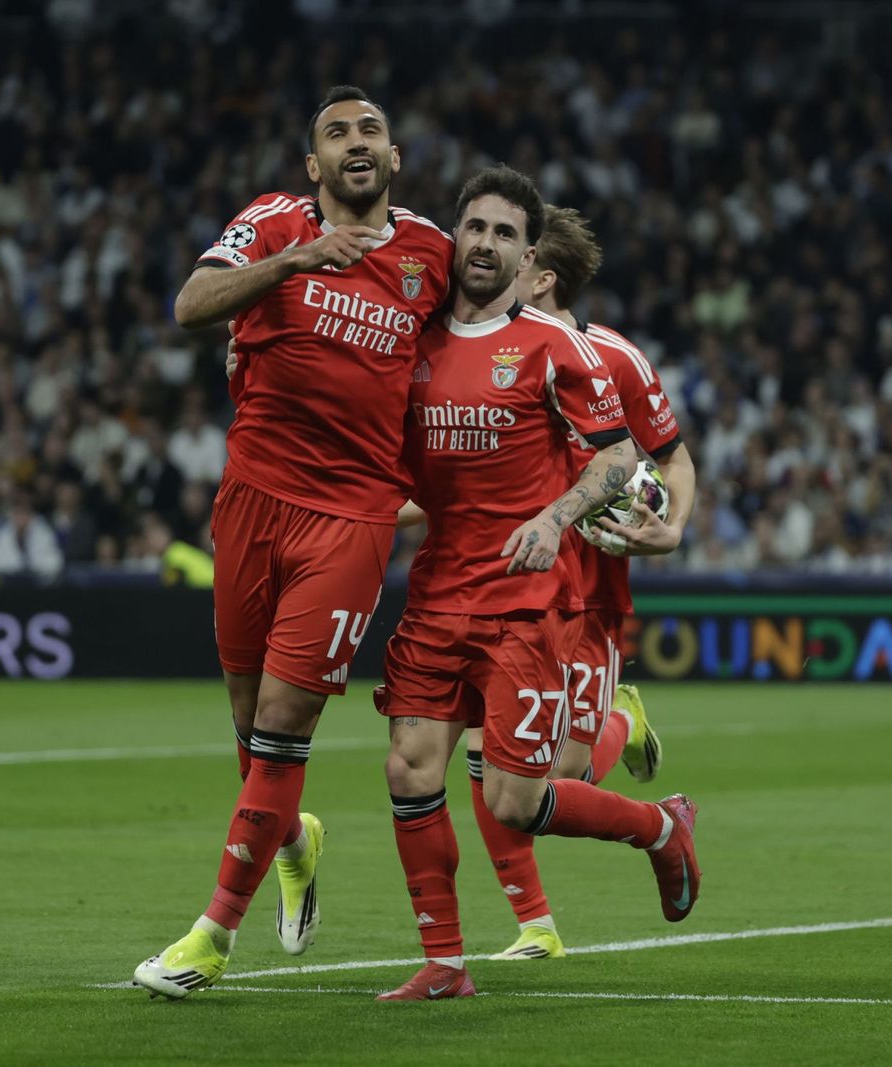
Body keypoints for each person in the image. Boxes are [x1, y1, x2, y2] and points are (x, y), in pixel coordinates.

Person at [133, 85, 452, 998]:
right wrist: (301, 259)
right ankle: (292, 840)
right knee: (247, 720)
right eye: (336, 134)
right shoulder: (273, 222)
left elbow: (485, 342)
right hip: (251, 501)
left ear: (395, 159)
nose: (358, 142)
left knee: (281, 727)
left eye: (373, 130)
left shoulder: (431, 252)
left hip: (350, 521)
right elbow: (193, 303)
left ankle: (210, 937)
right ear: (312, 167)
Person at [374, 167, 701, 1001]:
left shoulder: (558, 348)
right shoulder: (417, 343)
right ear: (457, 236)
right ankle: (445, 963)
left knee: (519, 800)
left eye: (503, 233)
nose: (483, 243)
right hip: (437, 595)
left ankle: (660, 827)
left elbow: (623, 453)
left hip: (526, 602)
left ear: (528, 258)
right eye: (473, 227)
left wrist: (557, 517)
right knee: (411, 771)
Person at [465, 205, 698, 961]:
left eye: (514, 252)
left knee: (553, 781)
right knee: (484, 751)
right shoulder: (485, 351)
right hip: (508, 581)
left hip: (589, 589)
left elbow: (675, 459)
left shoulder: (616, 360)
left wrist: (673, 526)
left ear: (542, 274)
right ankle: (536, 923)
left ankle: (621, 724)